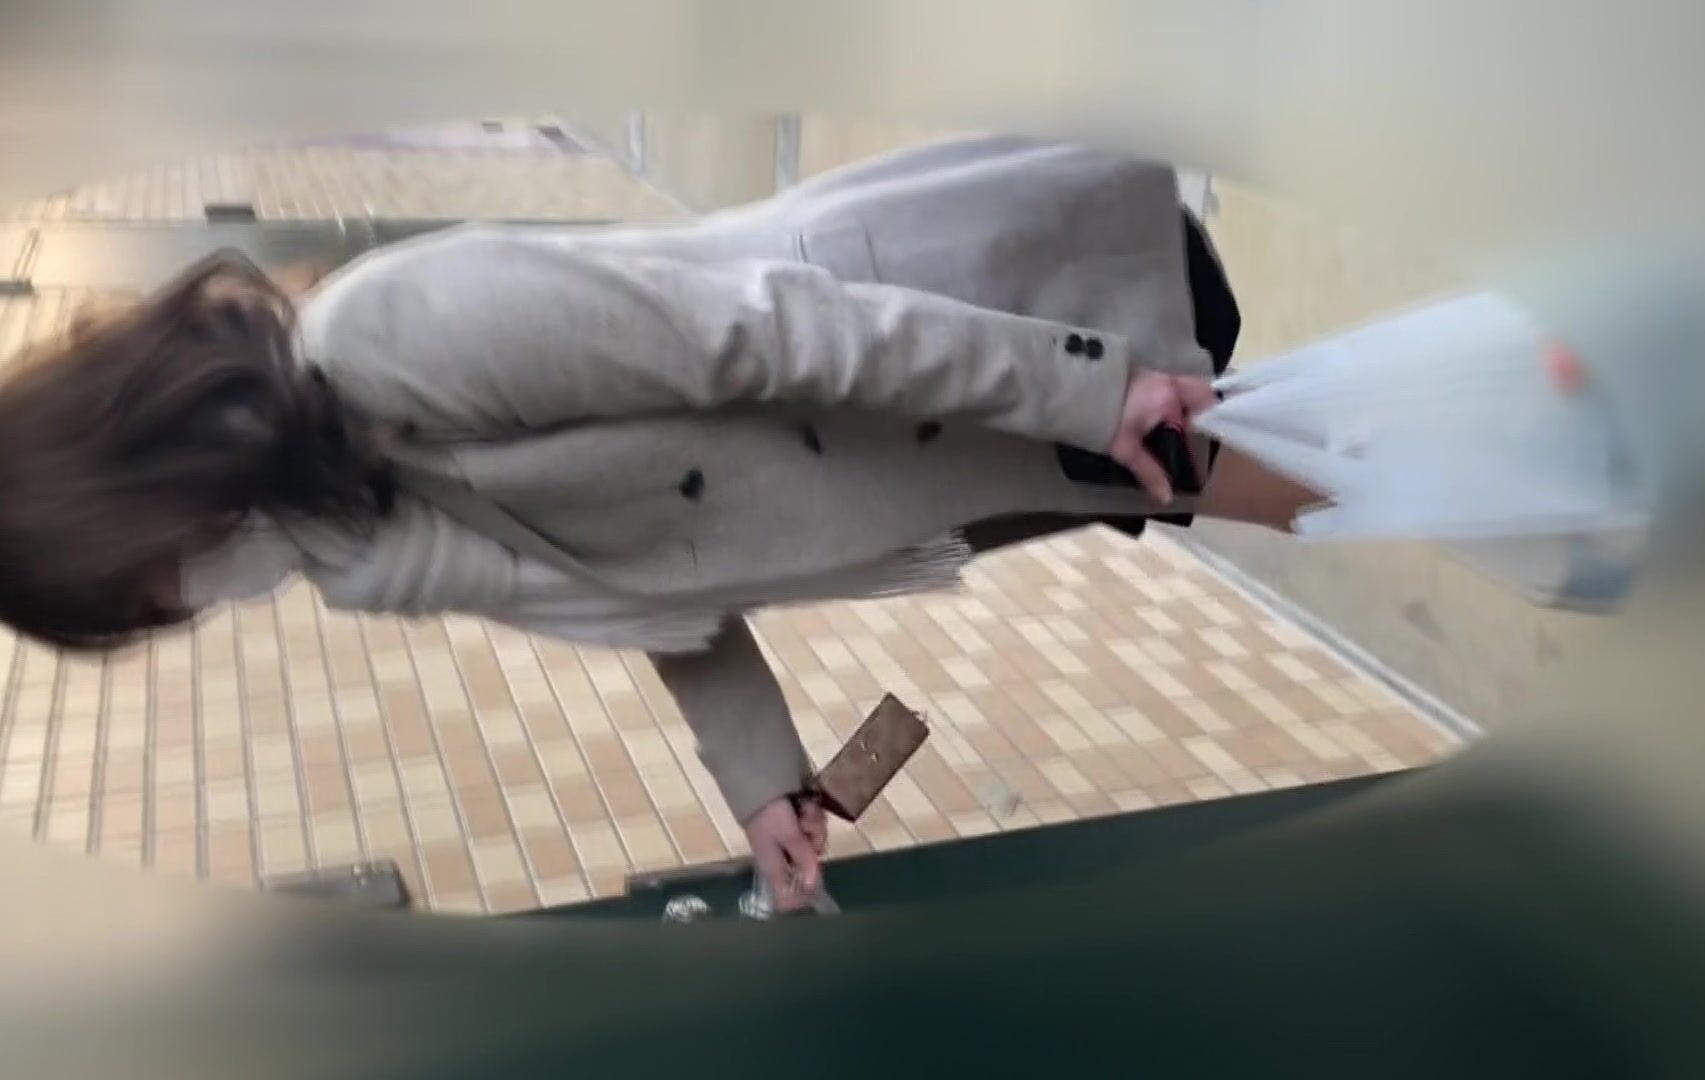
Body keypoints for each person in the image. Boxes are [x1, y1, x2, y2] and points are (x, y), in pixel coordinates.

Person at [0, 137, 1320, 908]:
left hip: (967, 338)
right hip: (931, 459)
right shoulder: (348, 538)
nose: (176, 611)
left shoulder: (380, 342)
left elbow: (768, 327)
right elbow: (651, 574)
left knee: (1310, 464)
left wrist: (1077, 387)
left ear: (131, 494)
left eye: (144, 592)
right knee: (1292, 473)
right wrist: (763, 785)